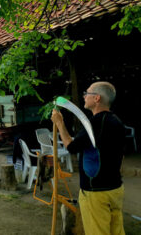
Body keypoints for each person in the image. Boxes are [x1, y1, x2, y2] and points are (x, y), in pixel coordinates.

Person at [51, 81, 126, 235]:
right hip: (115, 189)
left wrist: (59, 123)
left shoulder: (95, 123)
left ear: (97, 98)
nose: (84, 96)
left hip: (96, 192)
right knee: (116, 231)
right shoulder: (116, 122)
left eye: (87, 93)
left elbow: (71, 147)